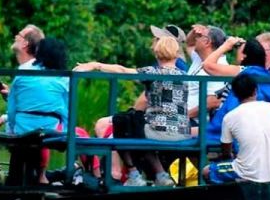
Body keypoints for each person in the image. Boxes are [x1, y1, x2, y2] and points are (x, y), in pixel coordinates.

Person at [75, 36, 189, 187]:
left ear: (156, 53)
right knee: (137, 125)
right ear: (176, 54)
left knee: (122, 122)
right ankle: (160, 175)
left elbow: (122, 70)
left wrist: (95, 65)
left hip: (160, 131)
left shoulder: (152, 72)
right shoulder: (185, 75)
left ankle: (134, 174)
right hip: (182, 132)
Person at [202, 38, 270, 147]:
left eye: (238, 51)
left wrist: (226, 46)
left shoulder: (244, 70)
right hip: (261, 129)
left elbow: (207, 65)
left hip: (239, 127)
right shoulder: (263, 73)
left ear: (243, 56)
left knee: (198, 134)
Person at [6, 37, 70, 184]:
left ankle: (14, 185)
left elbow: (11, 108)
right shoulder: (64, 78)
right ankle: (39, 179)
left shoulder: (23, 73)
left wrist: (10, 130)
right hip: (50, 130)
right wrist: (67, 133)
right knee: (40, 136)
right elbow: (67, 112)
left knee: (21, 144)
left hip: (22, 129)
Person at [202, 74, 270, 184]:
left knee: (207, 171)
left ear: (235, 94)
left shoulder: (230, 117)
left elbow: (226, 152)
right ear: (255, 90)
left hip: (246, 172)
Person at [0, 24, 44, 131]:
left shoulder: (28, 71)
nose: (16, 36)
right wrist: (10, 95)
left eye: (19, 35)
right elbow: (29, 105)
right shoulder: (34, 68)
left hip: (24, 133)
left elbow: (32, 111)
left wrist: (2, 118)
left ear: (25, 44)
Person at [184, 24, 230, 119]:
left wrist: (184, 116)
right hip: (187, 121)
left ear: (207, 42)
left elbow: (214, 101)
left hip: (198, 125)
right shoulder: (200, 58)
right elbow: (189, 44)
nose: (196, 39)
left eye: (199, 37)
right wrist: (194, 32)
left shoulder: (219, 67)